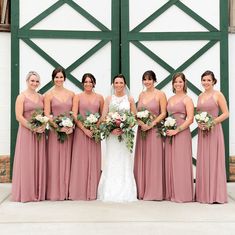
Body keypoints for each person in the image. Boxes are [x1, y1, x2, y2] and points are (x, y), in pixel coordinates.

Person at [97, 74, 137, 202]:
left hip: (124, 136)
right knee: (112, 159)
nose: (118, 85)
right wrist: (110, 128)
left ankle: (126, 191)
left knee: (124, 160)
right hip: (112, 136)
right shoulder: (108, 99)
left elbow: (134, 118)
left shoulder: (130, 99)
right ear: (113, 84)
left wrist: (125, 127)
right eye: (116, 82)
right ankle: (109, 191)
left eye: (121, 83)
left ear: (125, 85)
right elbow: (104, 117)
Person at [12, 71, 46, 202]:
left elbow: (44, 114)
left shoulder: (41, 97)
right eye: (32, 80)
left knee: (38, 160)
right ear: (27, 81)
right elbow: (18, 116)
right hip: (26, 132)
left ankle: (38, 191)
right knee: (27, 161)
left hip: (40, 134)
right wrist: (33, 127)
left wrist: (42, 126)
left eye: (37, 81)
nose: (34, 83)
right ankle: (26, 192)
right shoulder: (21, 97)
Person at [195, 70, 229, 204]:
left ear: (213, 81)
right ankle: (204, 194)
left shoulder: (218, 95)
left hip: (214, 131)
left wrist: (211, 122)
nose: (206, 82)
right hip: (202, 131)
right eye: (204, 80)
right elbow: (198, 113)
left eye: (209, 80)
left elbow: (226, 113)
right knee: (203, 160)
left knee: (214, 160)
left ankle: (215, 195)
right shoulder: (200, 96)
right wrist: (200, 123)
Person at [69, 73, 104, 200]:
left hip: (94, 133)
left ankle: (92, 191)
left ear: (94, 83)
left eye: (90, 81)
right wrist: (84, 129)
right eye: (86, 82)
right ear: (82, 83)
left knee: (94, 160)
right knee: (80, 161)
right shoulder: (77, 97)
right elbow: (74, 114)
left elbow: (102, 115)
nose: (88, 84)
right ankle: (78, 191)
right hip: (80, 132)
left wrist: (95, 128)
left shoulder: (100, 98)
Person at [134, 70, 167, 200]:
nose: (147, 82)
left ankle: (154, 191)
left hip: (154, 131)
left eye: (149, 79)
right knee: (143, 158)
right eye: (145, 79)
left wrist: (152, 124)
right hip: (142, 130)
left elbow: (163, 113)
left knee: (154, 159)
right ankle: (142, 190)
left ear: (154, 80)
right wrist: (141, 123)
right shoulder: (141, 95)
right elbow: (137, 112)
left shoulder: (160, 94)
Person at [44, 67, 74, 201]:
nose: (59, 79)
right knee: (54, 161)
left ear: (65, 78)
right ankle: (55, 192)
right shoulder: (48, 95)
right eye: (56, 77)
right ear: (53, 79)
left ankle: (68, 191)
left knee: (68, 161)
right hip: (54, 132)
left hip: (68, 132)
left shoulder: (72, 94)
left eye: (61, 77)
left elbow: (74, 114)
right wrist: (57, 127)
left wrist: (71, 126)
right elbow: (46, 114)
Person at [164, 72, 194, 202]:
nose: (178, 84)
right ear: (173, 84)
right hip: (170, 132)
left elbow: (191, 119)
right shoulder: (170, 99)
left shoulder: (187, 99)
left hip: (181, 133)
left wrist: (178, 130)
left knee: (181, 162)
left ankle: (183, 194)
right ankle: (171, 192)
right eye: (176, 82)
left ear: (184, 83)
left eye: (180, 82)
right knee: (170, 161)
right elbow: (166, 115)